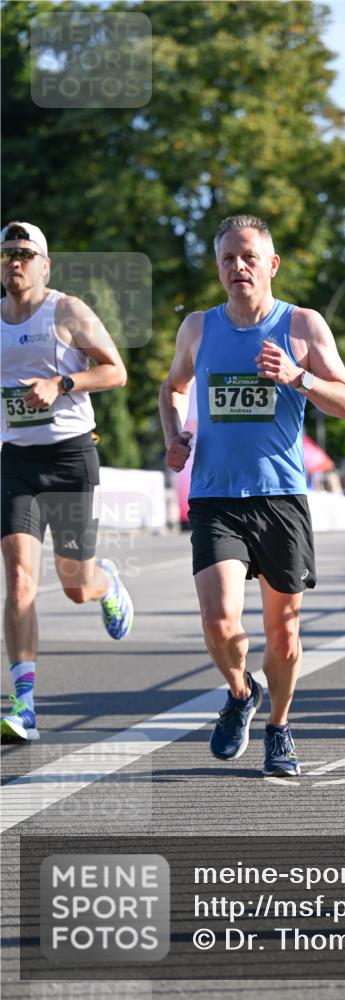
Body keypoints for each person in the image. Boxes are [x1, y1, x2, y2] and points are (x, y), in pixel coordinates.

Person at [159, 214, 345, 778]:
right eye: (228, 258)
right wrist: (174, 434)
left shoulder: (302, 325)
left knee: (284, 632)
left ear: (271, 265)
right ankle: (240, 691)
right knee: (221, 623)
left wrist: (299, 377)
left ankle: (279, 727)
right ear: (219, 267)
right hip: (216, 497)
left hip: (280, 498)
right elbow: (172, 386)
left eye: (248, 256)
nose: (238, 266)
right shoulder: (198, 328)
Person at [1, 221, 133, 744]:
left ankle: (108, 583)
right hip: (16, 462)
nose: (15, 260)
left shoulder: (67, 312)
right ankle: (24, 705)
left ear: (45, 264)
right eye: (8, 252)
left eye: (25, 253)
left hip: (70, 458)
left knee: (75, 584)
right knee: (17, 577)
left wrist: (61, 383)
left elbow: (116, 371)